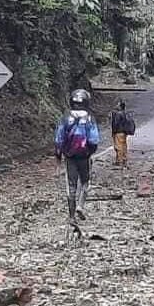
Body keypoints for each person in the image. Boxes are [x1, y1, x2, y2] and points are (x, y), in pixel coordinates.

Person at [54, 89, 101, 226]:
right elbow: (94, 139)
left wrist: (58, 155)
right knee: (85, 182)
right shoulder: (90, 118)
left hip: (70, 156)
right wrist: (90, 152)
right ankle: (81, 206)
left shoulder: (65, 117)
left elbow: (59, 138)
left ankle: (71, 216)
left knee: (71, 185)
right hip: (84, 156)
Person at [110, 99, 135, 168]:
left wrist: (113, 132)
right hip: (124, 132)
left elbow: (115, 124)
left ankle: (119, 161)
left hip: (118, 132)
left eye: (117, 104)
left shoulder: (118, 114)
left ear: (120, 106)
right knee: (124, 145)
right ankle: (124, 159)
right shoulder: (125, 113)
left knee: (118, 146)